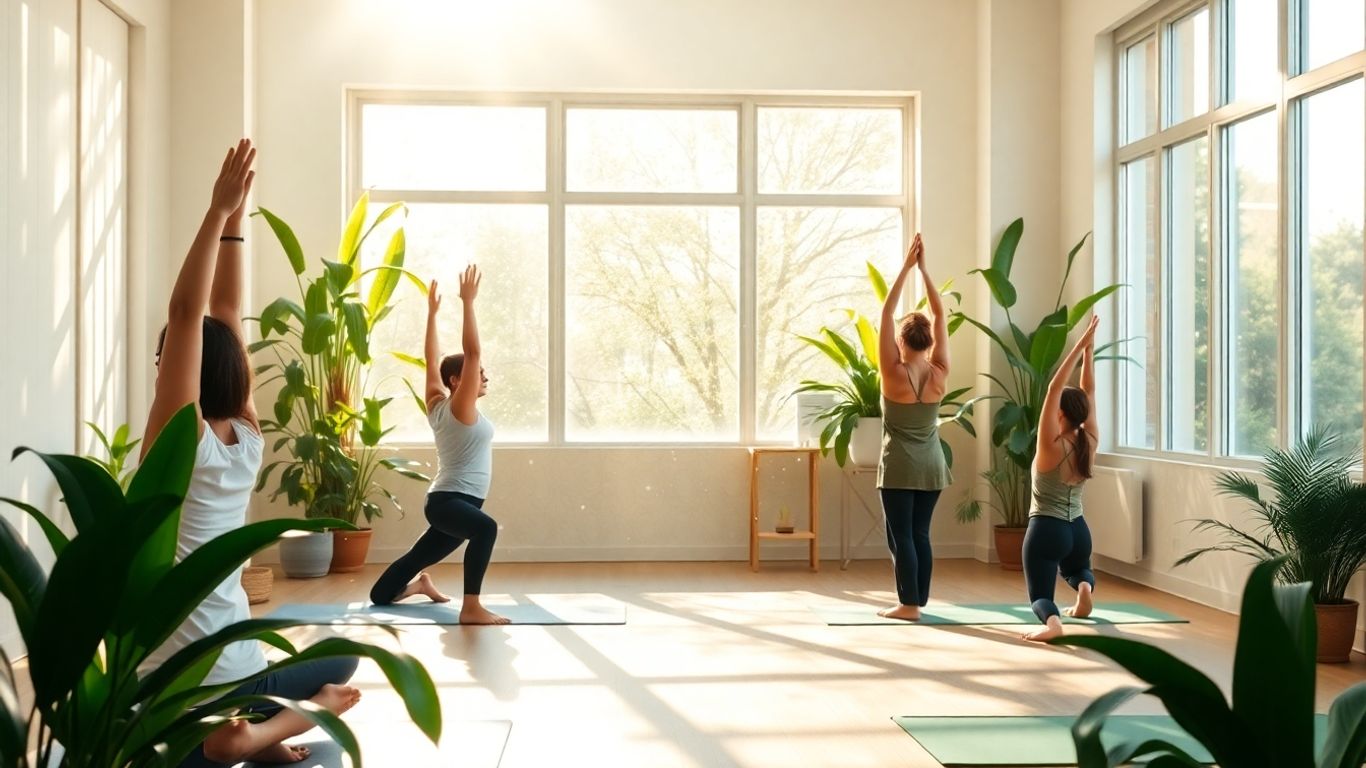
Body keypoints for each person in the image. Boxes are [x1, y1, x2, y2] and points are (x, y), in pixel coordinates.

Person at [140, 139, 361, 766]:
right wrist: (236, 223)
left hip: (164, 688)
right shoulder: (247, 438)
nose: (161, 369)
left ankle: (245, 736)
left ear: (176, 371)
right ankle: (261, 733)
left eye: (164, 361)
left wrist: (217, 212)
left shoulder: (176, 441)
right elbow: (225, 312)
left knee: (171, 748)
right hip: (234, 669)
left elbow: (191, 314)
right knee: (341, 653)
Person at [368, 265, 509, 625]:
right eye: (479, 373)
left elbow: (431, 360)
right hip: (452, 502)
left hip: (447, 502)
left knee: (383, 593)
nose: (484, 375)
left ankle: (417, 586)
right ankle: (471, 607)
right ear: (457, 381)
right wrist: (467, 303)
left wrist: (431, 314)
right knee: (487, 528)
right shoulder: (461, 408)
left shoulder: (435, 402)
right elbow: (472, 351)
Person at [875, 233, 952, 621]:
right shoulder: (940, 372)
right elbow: (941, 316)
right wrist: (925, 271)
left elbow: (886, 314)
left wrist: (906, 269)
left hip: (900, 467)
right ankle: (918, 601)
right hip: (933, 466)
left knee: (900, 536)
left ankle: (908, 605)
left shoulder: (893, 374)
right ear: (928, 341)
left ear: (902, 341)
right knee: (920, 535)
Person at [1021, 315, 1100, 643]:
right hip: (1078, 530)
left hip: (1046, 530)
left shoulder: (1050, 445)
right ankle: (1083, 587)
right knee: (1077, 568)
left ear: (1061, 414)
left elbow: (1055, 387)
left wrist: (1080, 346)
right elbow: (1088, 390)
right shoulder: (1089, 441)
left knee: (1040, 593)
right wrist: (1088, 353)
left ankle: (1052, 623)